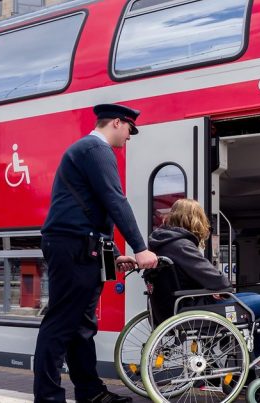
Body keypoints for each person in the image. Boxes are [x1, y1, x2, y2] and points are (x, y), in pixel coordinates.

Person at [34, 103, 158, 403]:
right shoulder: (96, 150)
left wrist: (114, 252)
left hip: (80, 244)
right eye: (129, 130)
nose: (129, 137)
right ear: (117, 123)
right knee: (62, 323)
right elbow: (115, 200)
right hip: (72, 245)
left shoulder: (88, 151)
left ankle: (90, 393)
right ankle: (48, 397)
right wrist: (141, 249)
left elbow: (95, 211)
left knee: (82, 326)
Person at [148, 198, 260, 386]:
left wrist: (216, 290)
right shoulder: (182, 245)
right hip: (193, 308)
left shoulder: (163, 243)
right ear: (193, 219)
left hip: (185, 304)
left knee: (256, 300)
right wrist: (221, 287)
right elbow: (217, 279)